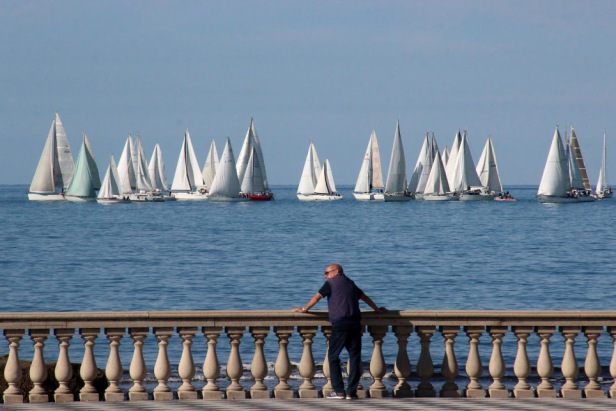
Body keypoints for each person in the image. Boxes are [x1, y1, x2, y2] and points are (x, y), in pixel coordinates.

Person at [292, 263, 386, 400]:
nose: (325, 275)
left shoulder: (330, 283)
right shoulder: (350, 283)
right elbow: (364, 297)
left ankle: (339, 391)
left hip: (340, 324)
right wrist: (377, 309)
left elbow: (317, 297)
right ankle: (351, 392)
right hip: (354, 324)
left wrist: (305, 309)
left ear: (335, 271)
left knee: (333, 356)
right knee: (354, 357)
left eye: (327, 272)